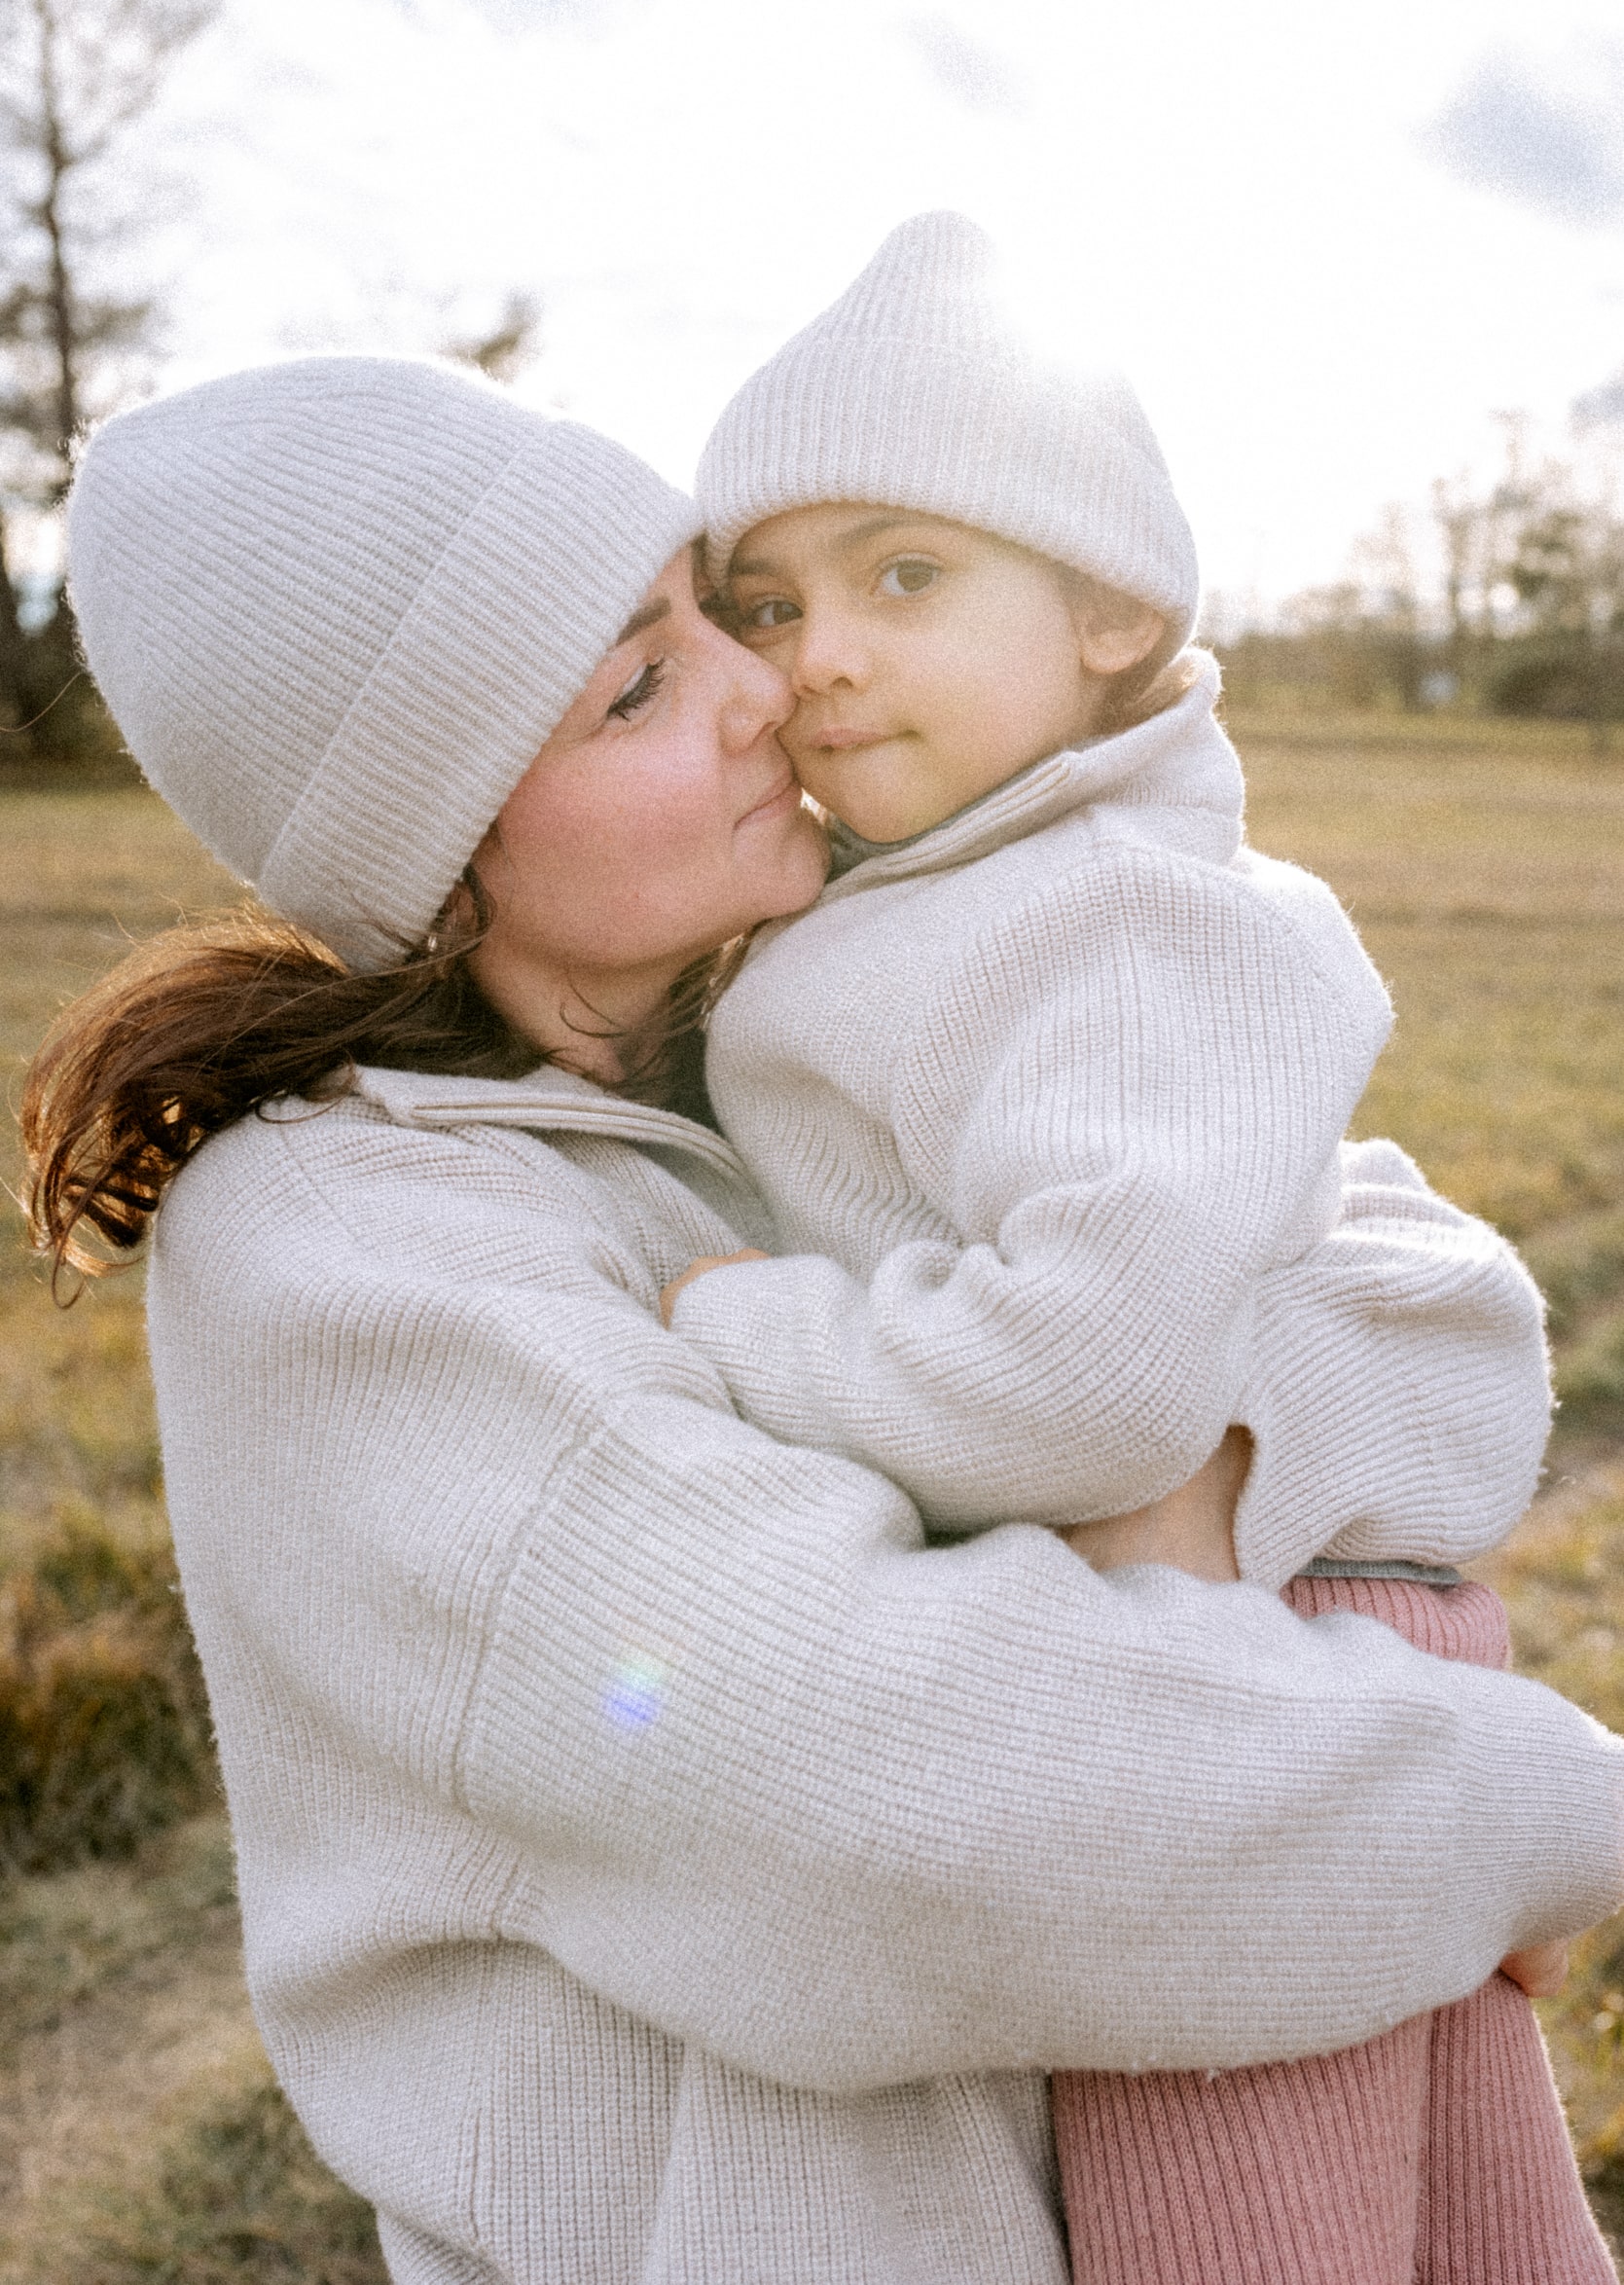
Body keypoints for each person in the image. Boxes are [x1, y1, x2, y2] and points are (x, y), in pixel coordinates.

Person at [21, 350, 1623, 2285]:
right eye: (638, 683)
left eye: (718, 608)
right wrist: (1541, 1808)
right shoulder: (353, 1250)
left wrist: (1197, 1446)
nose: (766, 684)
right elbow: (911, 1808)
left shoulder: (828, 1038)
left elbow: (1455, 1332)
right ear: (435, 863)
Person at [670, 211, 1615, 2280]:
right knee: (1474, 2235)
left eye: (903, 575)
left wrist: (757, 1333)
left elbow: (1091, 1382)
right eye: (767, 600)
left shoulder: (1114, 911)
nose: (817, 653)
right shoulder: (961, 892)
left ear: (1109, 609)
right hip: (1250, 1657)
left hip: (1239, 1697)